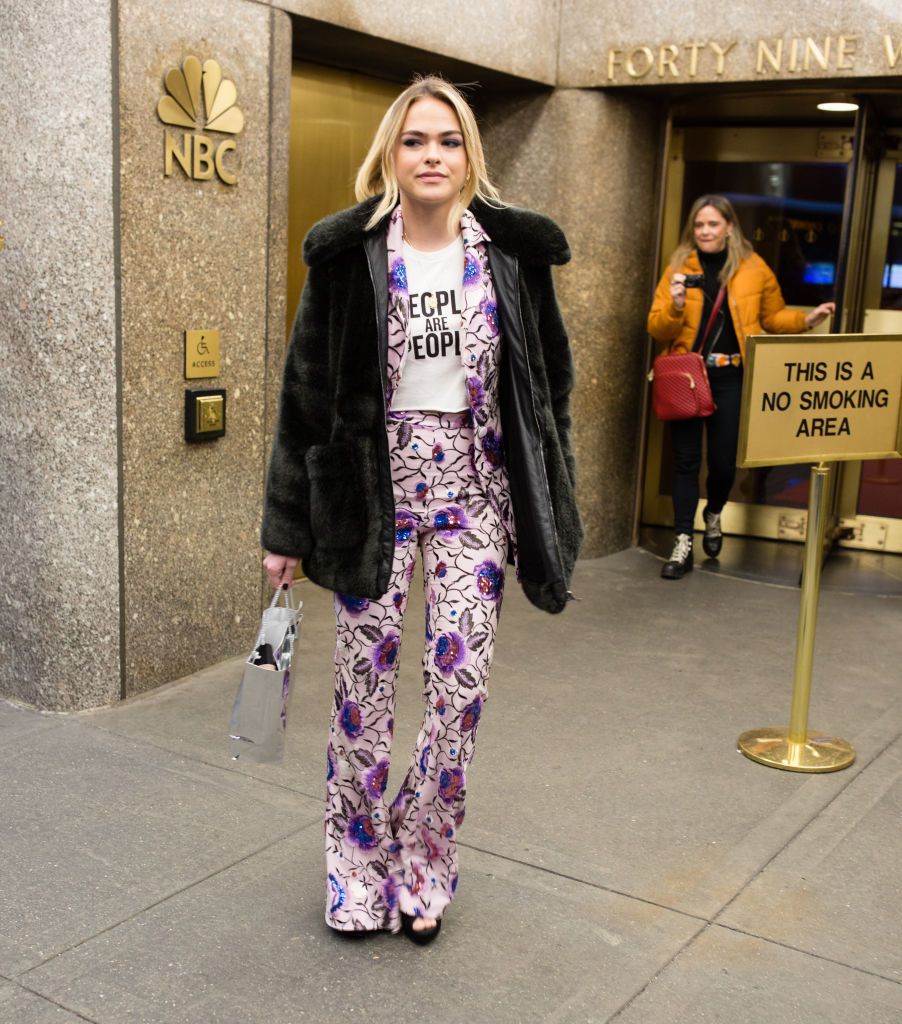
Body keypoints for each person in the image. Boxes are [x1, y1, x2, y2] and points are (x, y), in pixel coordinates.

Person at [260, 76, 583, 943]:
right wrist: (286, 529)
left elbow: (550, 387)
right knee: (362, 696)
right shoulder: (348, 254)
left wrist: (554, 499)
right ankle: (356, 866)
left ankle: (423, 860)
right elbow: (304, 395)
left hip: (476, 498)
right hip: (375, 497)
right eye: (414, 141)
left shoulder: (512, 255)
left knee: (458, 695)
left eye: (447, 140)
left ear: (470, 154)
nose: (431, 155)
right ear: (390, 155)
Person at [647, 194, 834, 579]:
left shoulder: (752, 267)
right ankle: (683, 542)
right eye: (699, 225)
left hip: (731, 378)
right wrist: (677, 304)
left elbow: (773, 317)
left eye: (713, 224)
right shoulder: (679, 267)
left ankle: (714, 512)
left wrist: (807, 319)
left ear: (729, 227)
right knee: (684, 463)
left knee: (722, 463)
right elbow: (657, 327)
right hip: (687, 375)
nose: (705, 232)